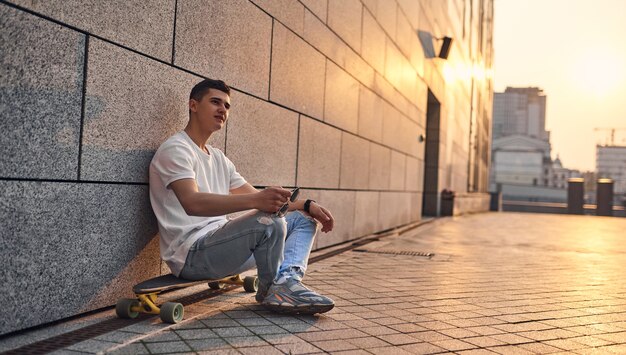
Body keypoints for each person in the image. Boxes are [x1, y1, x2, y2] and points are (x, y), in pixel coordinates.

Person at [149, 79, 335, 314]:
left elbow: (260, 199)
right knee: (268, 221)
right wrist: (258, 202)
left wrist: (306, 205)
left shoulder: (218, 158)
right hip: (191, 255)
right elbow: (192, 202)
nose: (222, 110)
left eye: (227, 106)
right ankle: (272, 292)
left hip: (223, 248)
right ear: (193, 105)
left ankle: (287, 281)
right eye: (215, 102)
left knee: (301, 219)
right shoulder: (176, 150)